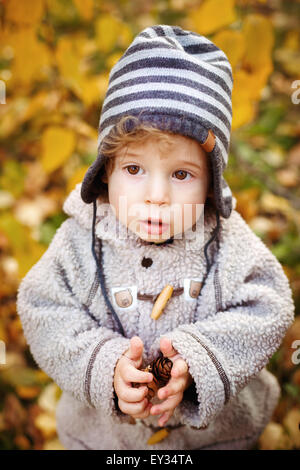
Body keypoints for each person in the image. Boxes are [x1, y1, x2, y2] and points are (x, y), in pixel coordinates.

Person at [16, 24, 295, 450]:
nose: (157, 197)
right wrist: (105, 366)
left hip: (216, 439)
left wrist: (199, 361)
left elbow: (268, 307)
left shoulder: (225, 241)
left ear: (211, 183)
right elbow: (43, 309)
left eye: (182, 174)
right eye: (134, 170)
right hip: (105, 440)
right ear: (106, 171)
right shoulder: (81, 240)